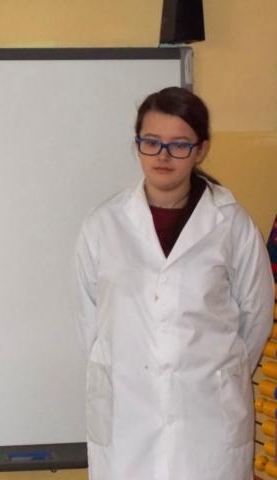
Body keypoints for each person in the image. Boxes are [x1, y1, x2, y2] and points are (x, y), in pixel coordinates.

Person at [73, 87, 273, 479]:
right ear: (137, 144)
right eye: (151, 142)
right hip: (127, 423)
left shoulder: (232, 224)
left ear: (201, 150)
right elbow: (88, 323)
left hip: (208, 425)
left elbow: (256, 317)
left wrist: (213, 376)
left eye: (179, 145)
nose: (163, 156)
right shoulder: (103, 224)